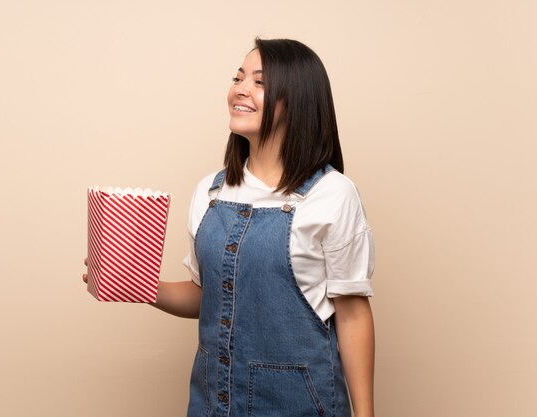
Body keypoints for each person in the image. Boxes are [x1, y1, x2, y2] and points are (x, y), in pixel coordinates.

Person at [83, 38, 375, 417]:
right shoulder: (210, 191)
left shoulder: (333, 194)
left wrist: (365, 414)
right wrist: (136, 285)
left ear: (298, 99)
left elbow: (352, 313)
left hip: (300, 405)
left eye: (260, 82)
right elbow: (210, 296)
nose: (240, 89)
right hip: (213, 403)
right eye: (238, 78)